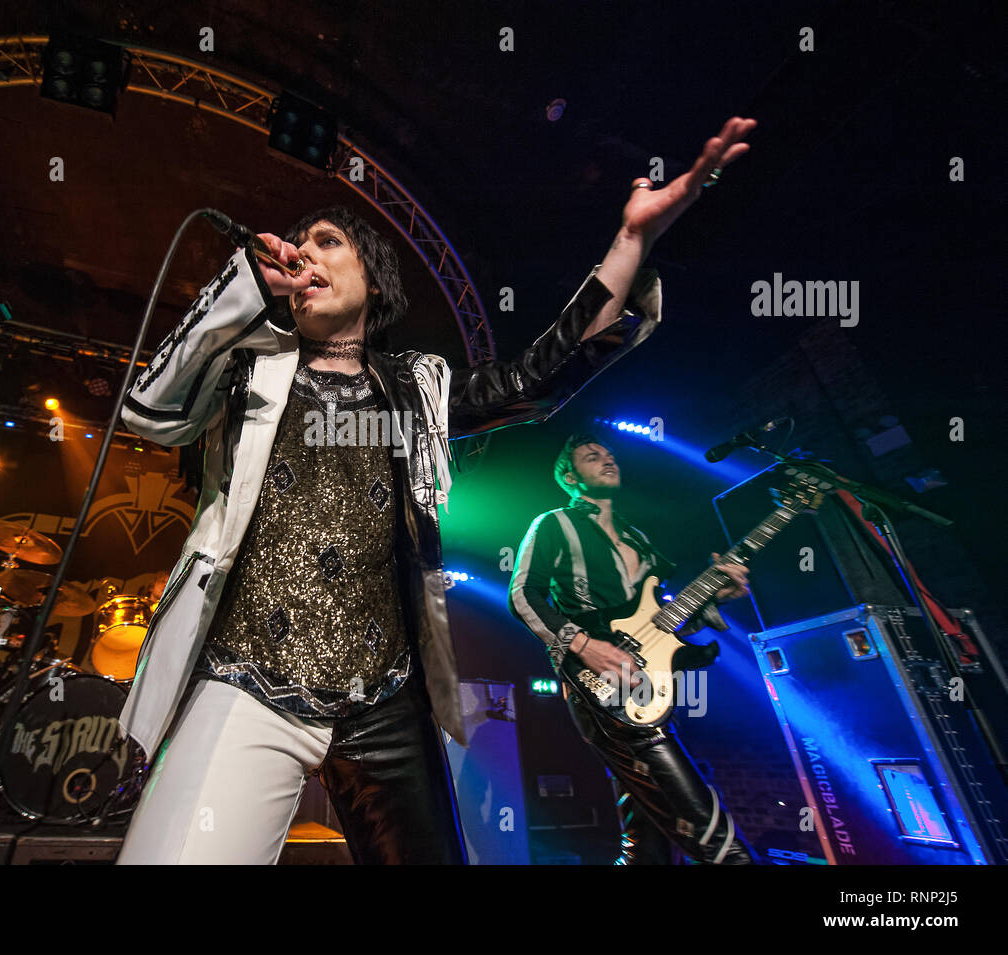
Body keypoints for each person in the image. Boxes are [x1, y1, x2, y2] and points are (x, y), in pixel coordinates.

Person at [115, 117, 757, 864]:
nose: (307, 252)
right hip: (245, 674)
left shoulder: (414, 388)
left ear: (374, 281)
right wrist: (239, 292)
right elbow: (149, 413)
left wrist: (632, 242)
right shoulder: (248, 365)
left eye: (330, 241)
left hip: (386, 698)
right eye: (301, 243)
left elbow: (536, 379)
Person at [509, 433, 758, 863]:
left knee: (648, 832)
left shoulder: (640, 539)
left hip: (657, 681)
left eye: (609, 454)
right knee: (699, 818)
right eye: (592, 457)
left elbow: (665, 622)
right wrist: (585, 646)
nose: (607, 460)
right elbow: (522, 596)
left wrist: (717, 596)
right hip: (603, 683)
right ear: (569, 477)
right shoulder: (553, 524)